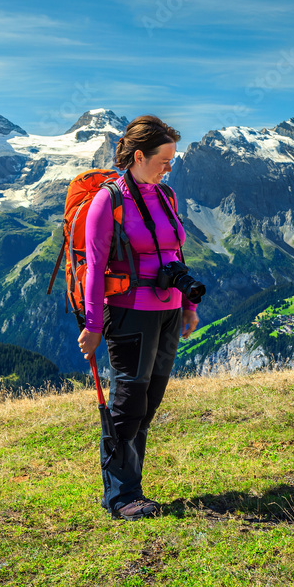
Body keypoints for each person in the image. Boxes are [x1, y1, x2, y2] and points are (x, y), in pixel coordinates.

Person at [77, 115, 199, 520]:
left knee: (149, 401)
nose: (170, 167)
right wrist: (93, 327)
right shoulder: (107, 201)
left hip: (166, 312)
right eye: (164, 159)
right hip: (129, 314)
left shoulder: (166, 197)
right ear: (139, 156)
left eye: (172, 160)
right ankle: (119, 495)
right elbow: (95, 268)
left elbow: (176, 255)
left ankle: (133, 487)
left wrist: (188, 304)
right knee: (128, 403)